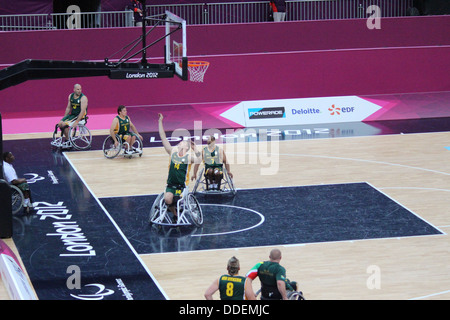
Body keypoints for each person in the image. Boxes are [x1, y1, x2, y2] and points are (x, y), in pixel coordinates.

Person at [158, 113, 201, 220]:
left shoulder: (188, 158)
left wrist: (195, 148)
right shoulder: (172, 152)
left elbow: (199, 159)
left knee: (176, 199)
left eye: (183, 143)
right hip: (171, 185)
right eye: (180, 142)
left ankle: (175, 209)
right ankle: (175, 214)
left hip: (182, 186)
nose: (180, 143)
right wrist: (160, 121)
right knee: (167, 199)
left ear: (186, 147)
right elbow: (163, 137)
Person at [55, 84, 88, 149]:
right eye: (78, 89)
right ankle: (68, 139)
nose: (79, 91)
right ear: (74, 90)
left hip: (80, 116)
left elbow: (82, 111)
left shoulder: (83, 98)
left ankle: (68, 140)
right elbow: (68, 108)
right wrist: (64, 118)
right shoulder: (71, 96)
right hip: (72, 115)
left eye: (80, 89)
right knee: (60, 124)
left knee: (64, 124)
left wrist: (77, 121)